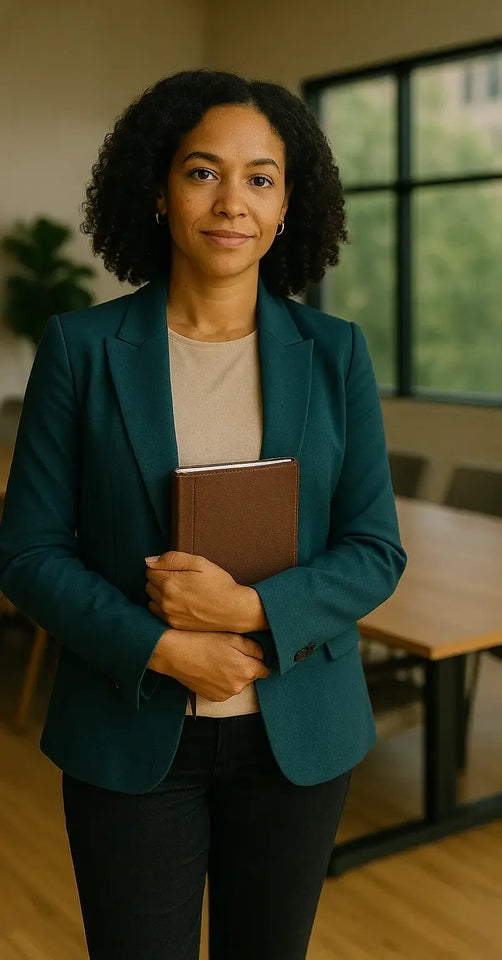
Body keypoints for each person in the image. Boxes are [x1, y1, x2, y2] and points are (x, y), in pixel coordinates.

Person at [0, 70, 407, 959]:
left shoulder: (335, 353)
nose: (233, 203)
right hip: (129, 730)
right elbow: (28, 552)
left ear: (290, 203)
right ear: (156, 187)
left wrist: (254, 610)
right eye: (202, 172)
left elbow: (376, 549)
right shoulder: (81, 349)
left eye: (261, 178)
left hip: (297, 737)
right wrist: (163, 644)